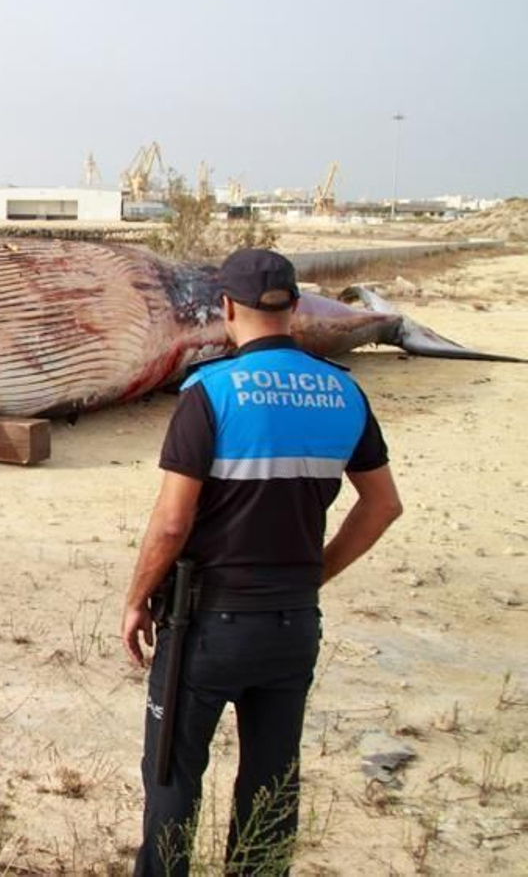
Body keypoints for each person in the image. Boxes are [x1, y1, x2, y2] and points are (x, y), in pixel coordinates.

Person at [120, 249, 404, 876]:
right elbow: (382, 505)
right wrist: (316, 574)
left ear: (226, 308)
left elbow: (172, 522)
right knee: (271, 785)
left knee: (171, 775)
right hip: (293, 623)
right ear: (295, 306)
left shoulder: (209, 394)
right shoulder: (343, 391)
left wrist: (138, 597)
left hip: (208, 625)